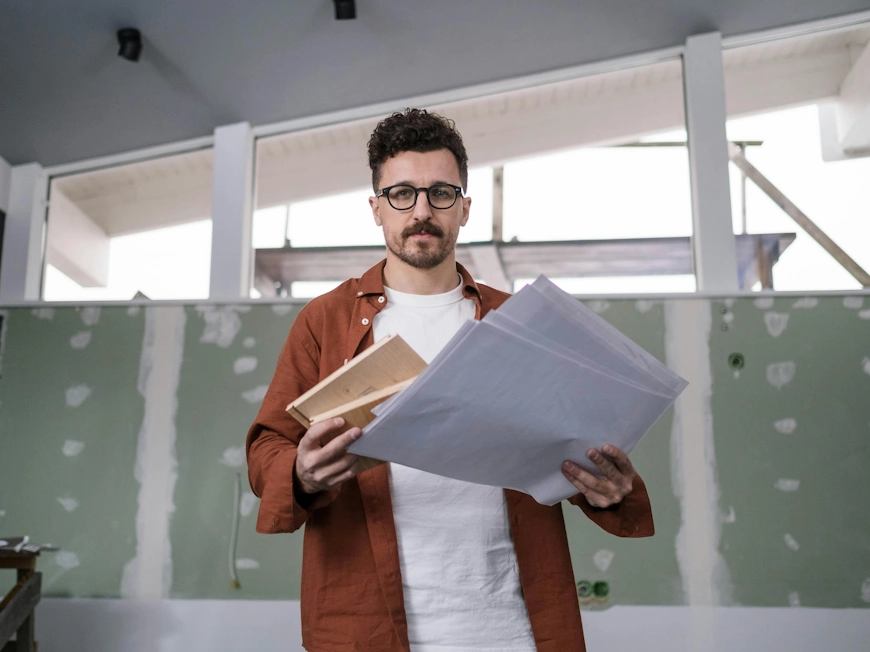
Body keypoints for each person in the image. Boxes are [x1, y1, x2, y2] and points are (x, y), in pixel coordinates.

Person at [246, 108, 654, 652]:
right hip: (368, 625)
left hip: (512, 627)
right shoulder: (325, 320)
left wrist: (609, 488)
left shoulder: (519, 321)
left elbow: (569, 440)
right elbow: (268, 446)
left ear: (464, 208)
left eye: (440, 193)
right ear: (376, 209)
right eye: (401, 195)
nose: (421, 211)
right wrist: (300, 472)